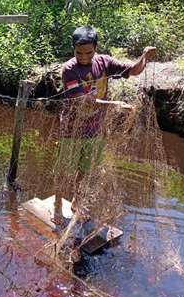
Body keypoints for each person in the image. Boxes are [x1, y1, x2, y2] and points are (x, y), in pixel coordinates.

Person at [52, 26, 155, 229]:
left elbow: (133, 71)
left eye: (88, 52)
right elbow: (85, 102)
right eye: (79, 52)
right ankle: (56, 205)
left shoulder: (104, 62)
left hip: (95, 128)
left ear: (96, 48)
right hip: (72, 129)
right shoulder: (69, 70)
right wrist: (115, 105)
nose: (83, 57)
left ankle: (76, 201)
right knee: (64, 169)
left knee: (85, 168)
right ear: (73, 49)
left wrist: (143, 56)